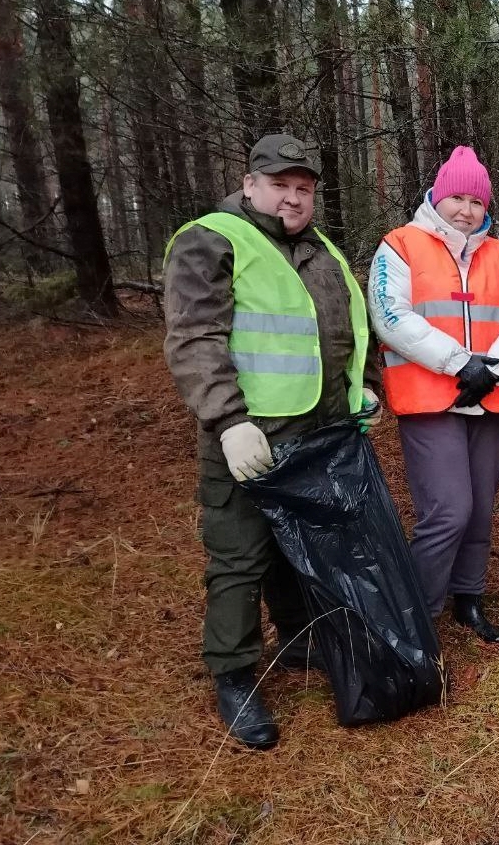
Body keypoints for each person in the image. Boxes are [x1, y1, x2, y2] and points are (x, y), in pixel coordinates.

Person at [163, 133, 381, 750]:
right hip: (250, 433)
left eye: (304, 189)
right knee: (239, 555)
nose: (293, 198)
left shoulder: (320, 252)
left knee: (299, 544)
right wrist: (228, 421)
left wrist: (363, 389)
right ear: (250, 183)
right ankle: (233, 674)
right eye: (280, 186)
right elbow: (195, 338)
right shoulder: (209, 240)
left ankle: (295, 640)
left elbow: (345, 331)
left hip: (318, 430)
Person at [368, 145, 499, 644]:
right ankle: (417, 614)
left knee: (481, 505)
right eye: (457, 198)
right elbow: (390, 315)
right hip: (430, 400)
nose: (466, 210)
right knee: (448, 510)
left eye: (477, 202)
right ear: (438, 197)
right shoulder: (399, 246)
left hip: (487, 400)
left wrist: (495, 369)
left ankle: (469, 598)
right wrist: (458, 362)